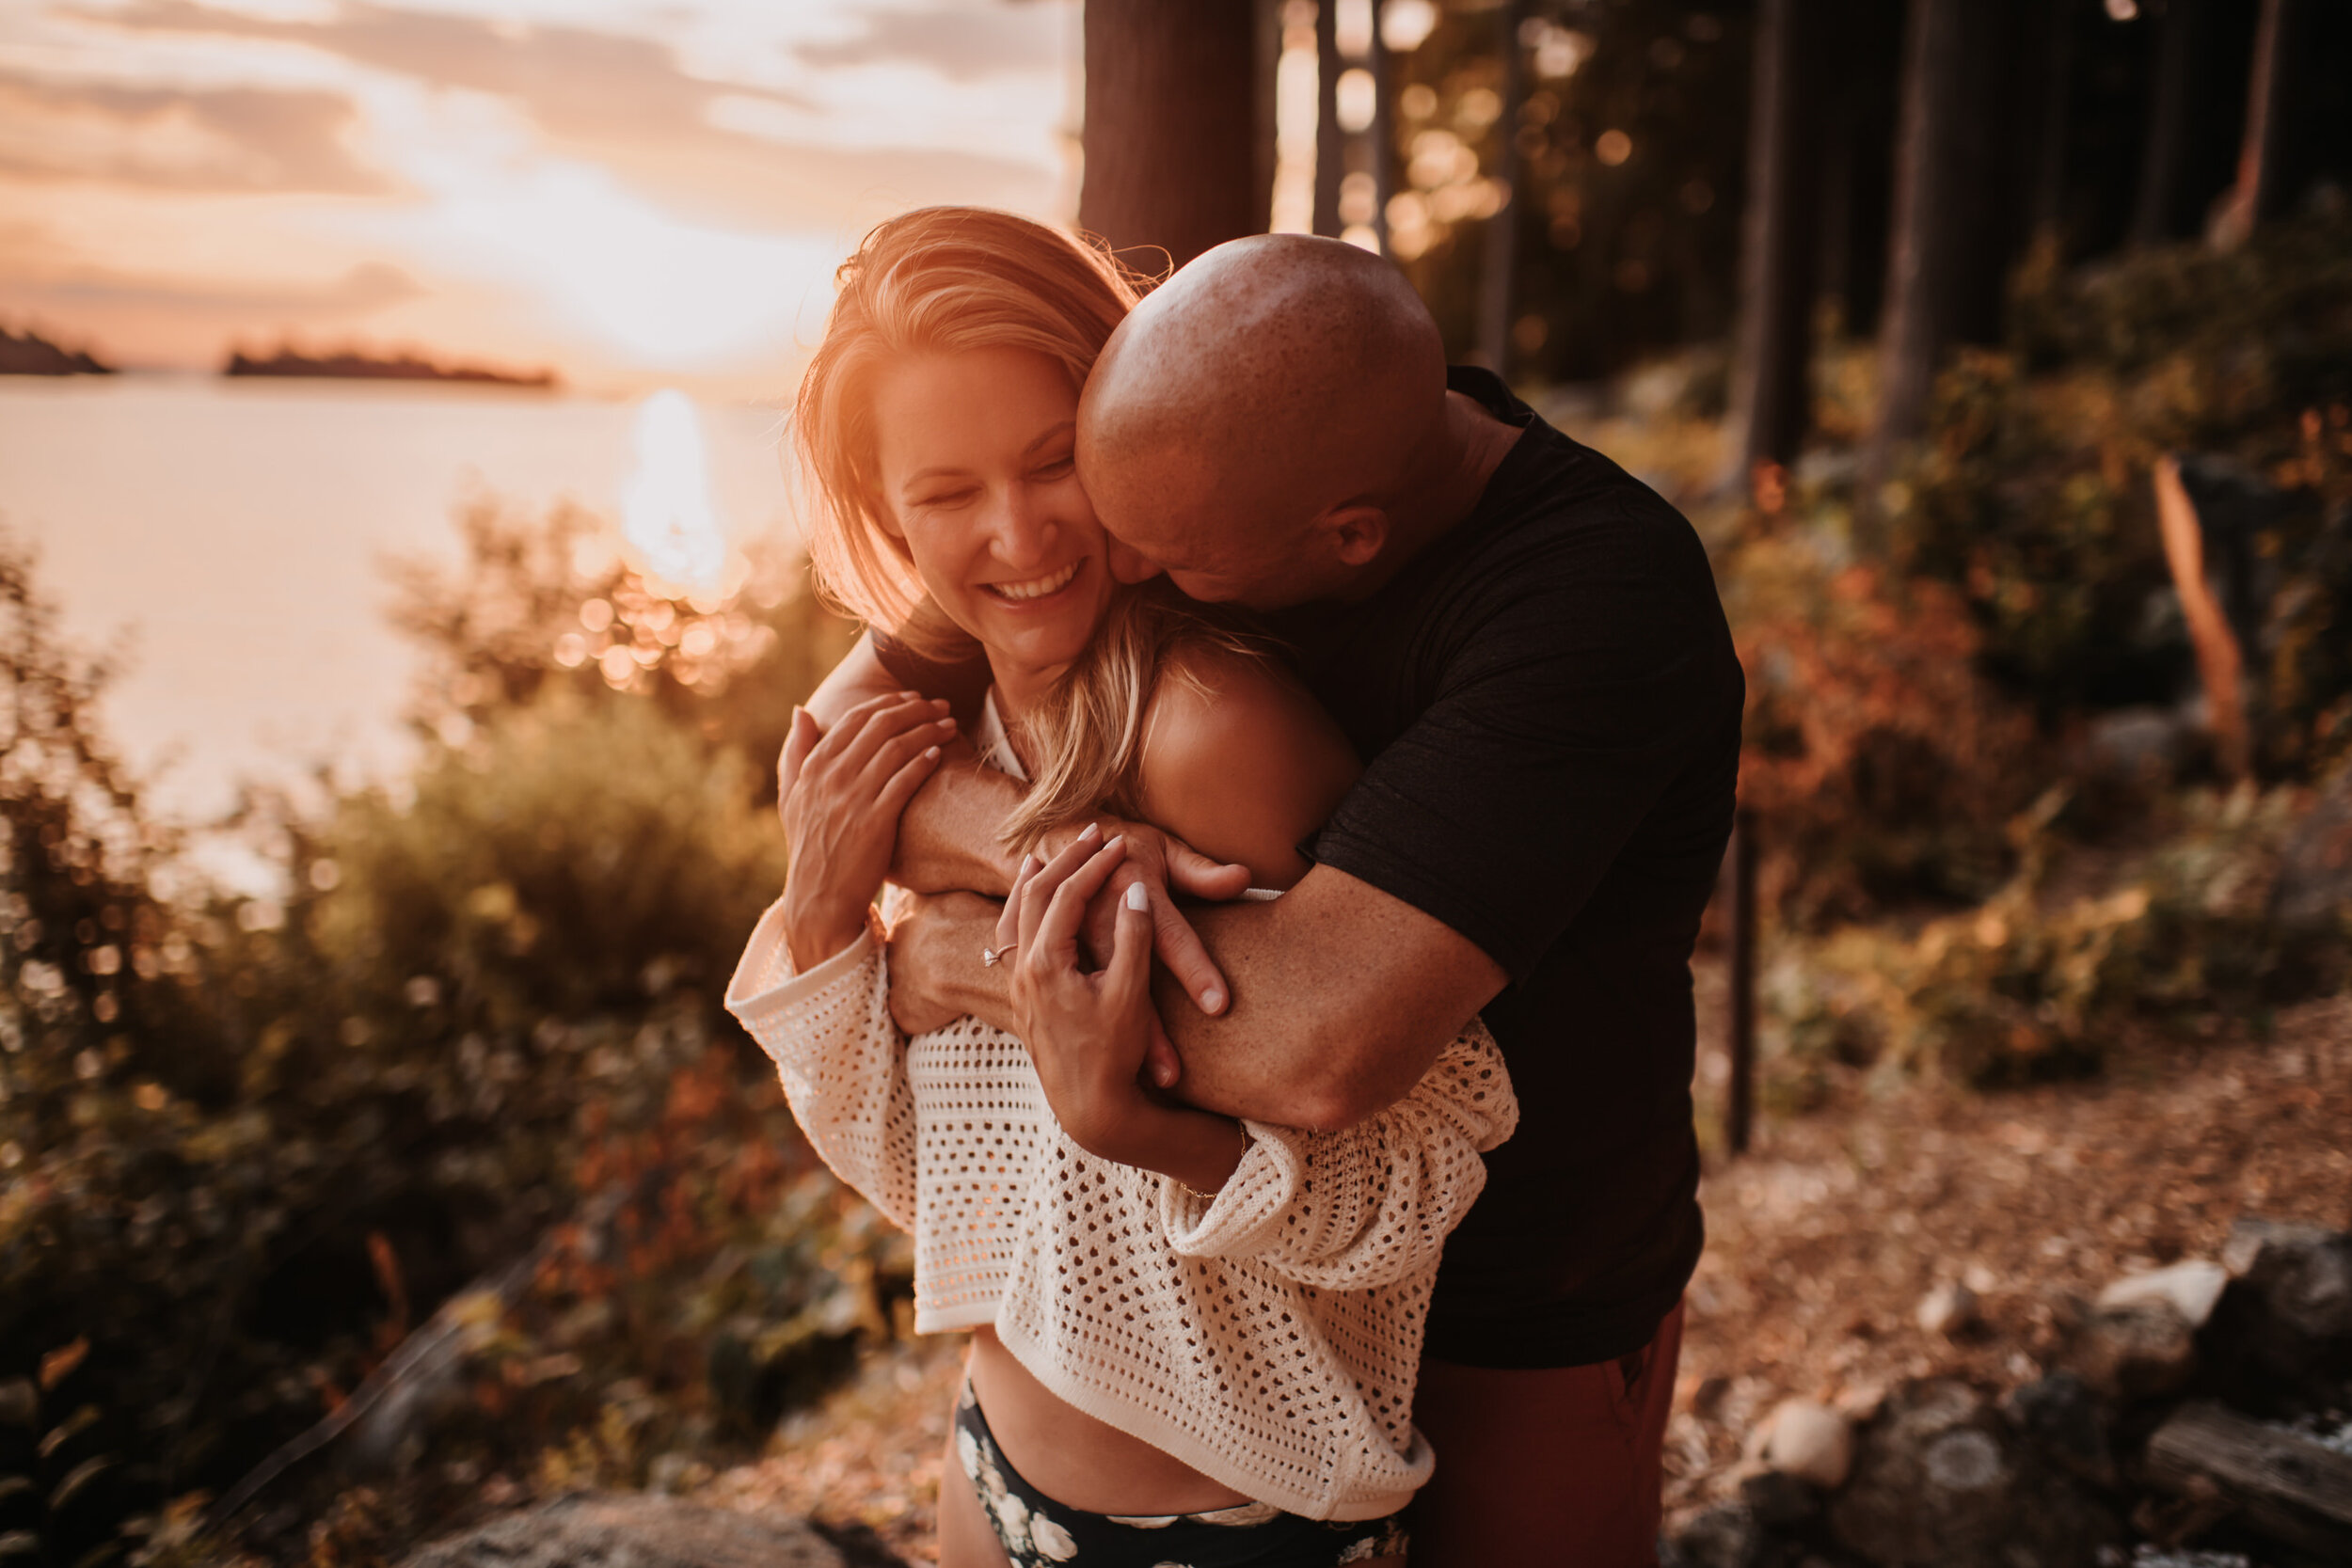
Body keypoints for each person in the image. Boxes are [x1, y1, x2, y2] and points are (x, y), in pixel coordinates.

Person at [809, 231, 1745, 1565]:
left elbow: (1310, 1041)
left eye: (1163, 553)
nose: (1104, 566)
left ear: (1346, 535)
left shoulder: (1589, 605)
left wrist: (970, 956)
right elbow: (834, 745)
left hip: (1520, 1296)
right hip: (1248, 1323)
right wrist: (1050, 867)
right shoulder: (1232, 438)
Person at [728, 206, 1518, 1568]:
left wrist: (1152, 1133)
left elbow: (1423, 1175)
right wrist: (828, 926)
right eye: (946, 492)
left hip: (1231, 1526)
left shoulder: (1211, 733)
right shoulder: (937, 738)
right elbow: (922, 1178)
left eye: (1053, 465)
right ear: (885, 514)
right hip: (990, 1470)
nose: (1018, 533)